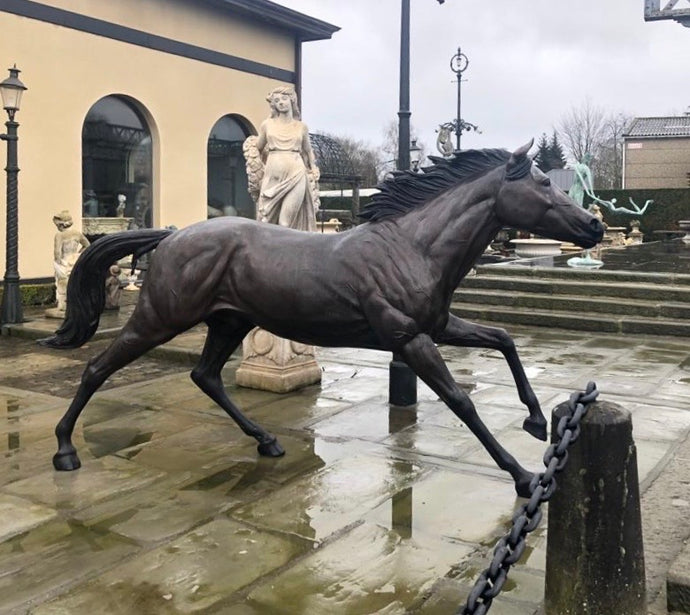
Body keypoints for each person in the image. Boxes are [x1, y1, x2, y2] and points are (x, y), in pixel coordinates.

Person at [246, 86, 320, 230]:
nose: (281, 102)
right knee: (265, 220)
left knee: (285, 223)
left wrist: (313, 167)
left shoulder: (301, 127)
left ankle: (288, 250)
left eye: (284, 99)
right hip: (272, 175)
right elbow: (258, 148)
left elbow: (308, 150)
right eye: (277, 100)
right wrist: (256, 169)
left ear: (292, 100)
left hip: (296, 173)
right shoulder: (267, 125)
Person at [51, 211, 90, 312]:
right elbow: (87, 245)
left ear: (61, 224)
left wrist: (57, 263)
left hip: (64, 261)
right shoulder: (77, 233)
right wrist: (78, 254)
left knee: (62, 284)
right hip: (74, 261)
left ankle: (63, 306)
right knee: (74, 283)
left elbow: (57, 252)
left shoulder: (60, 235)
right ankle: (75, 304)